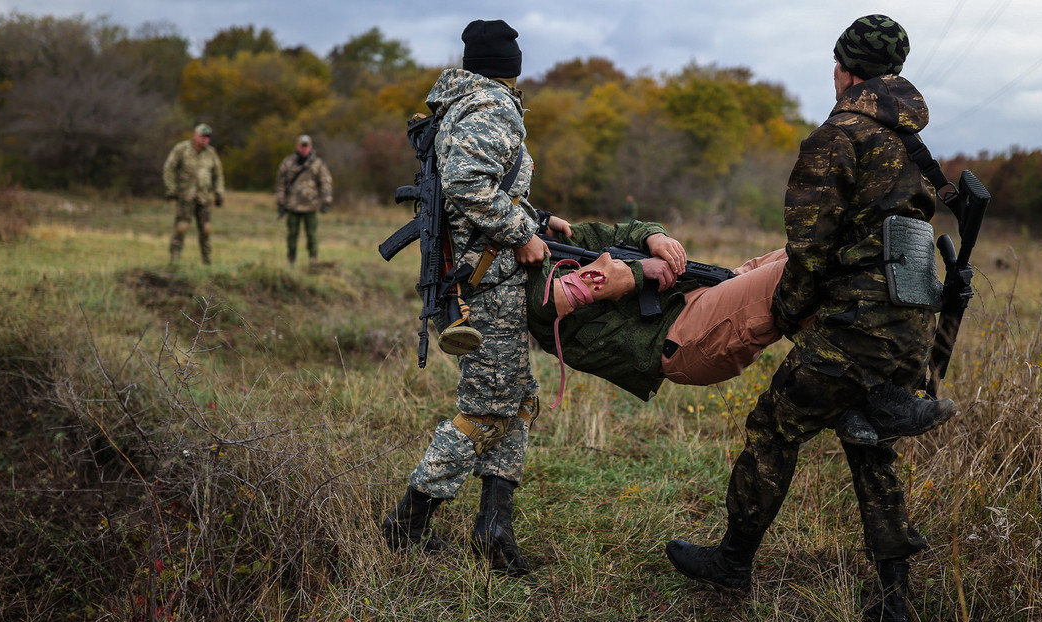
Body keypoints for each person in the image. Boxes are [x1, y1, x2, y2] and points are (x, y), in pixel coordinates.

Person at [664, 15, 942, 621]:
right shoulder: (913, 143)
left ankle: (733, 562)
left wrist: (783, 313)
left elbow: (809, 249)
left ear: (843, 69)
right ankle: (895, 597)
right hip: (912, 321)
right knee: (868, 438)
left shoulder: (837, 134)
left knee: (774, 426)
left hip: (856, 323)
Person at [380, 19, 562, 577]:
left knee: (517, 398)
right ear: (513, 65)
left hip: (480, 274)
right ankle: (406, 524)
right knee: (485, 408)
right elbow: (466, 185)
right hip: (483, 283)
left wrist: (540, 219)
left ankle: (494, 525)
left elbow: (486, 186)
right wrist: (523, 234)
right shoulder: (494, 106)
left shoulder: (460, 101)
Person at [527, 220, 954, 443]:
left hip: (695, 299)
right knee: (800, 272)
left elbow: (620, 231)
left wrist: (654, 237)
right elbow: (551, 302)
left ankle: (854, 398)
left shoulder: (554, 237)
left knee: (802, 254)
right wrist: (641, 271)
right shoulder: (524, 274)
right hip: (679, 338)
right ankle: (876, 396)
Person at [163, 123, 225, 265]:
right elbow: (169, 168)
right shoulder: (181, 149)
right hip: (186, 196)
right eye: (203, 136)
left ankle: (207, 262)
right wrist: (171, 188)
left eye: (208, 137)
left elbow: (218, 175)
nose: (205, 140)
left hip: (204, 197)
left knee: (206, 229)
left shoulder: (211, 153)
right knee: (181, 227)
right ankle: (175, 260)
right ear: (195, 135)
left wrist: (219, 193)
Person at [275, 134, 333, 265]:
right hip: (292, 205)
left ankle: (313, 259)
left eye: (306, 146)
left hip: (311, 206)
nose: (304, 149)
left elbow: (325, 182)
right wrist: (280, 202)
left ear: (310, 147)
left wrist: (326, 200)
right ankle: (291, 260)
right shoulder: (288, 162)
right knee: (292, 234)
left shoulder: (317, 164)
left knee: (312, 235)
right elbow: (280, 183)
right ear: (297, 146)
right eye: (302, 146)